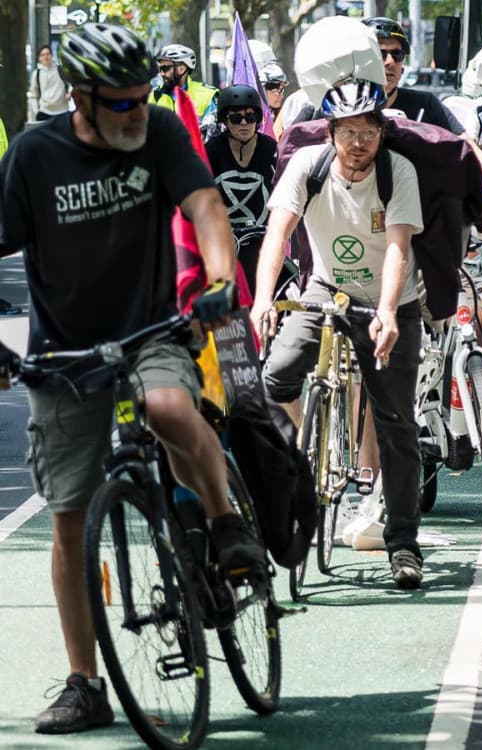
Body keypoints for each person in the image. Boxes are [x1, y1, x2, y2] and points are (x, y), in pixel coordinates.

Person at [0, 22, 263, 735]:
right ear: (81, 99)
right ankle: (85, 682)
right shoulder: (34, 155)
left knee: (170, 404)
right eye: (119, 102)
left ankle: (223, 518)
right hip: (65, 356)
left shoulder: (160, 136)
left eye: (142, 97)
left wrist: (215, 279)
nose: (136, 111)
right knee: (69, 520)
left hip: (152, 329)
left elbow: (206, 206)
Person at [251, 77, 429, 588]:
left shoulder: (399, 172)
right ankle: (299, 461)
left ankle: (403, 544)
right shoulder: (308, 167)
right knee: (275, 376)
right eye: (348, 132)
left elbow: (398, 247)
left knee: (396, 423)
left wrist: (389, 312)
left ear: (381, 132)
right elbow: (277, 235)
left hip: (391, 302)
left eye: (368, 132)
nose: (358, 144)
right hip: (326, 291)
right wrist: (264, 300)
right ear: (330, 133)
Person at [204, 84, 277, 295]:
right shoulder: (213, 149)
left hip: (262, 240)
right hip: (222, 241)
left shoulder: (271, 148)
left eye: (250, 117)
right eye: (236, 118)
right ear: (225, 120)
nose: (244, 123)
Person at [151, 43, 218, 125]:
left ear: (182, 69)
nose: (161, 73)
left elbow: (214, 132)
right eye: (160, 69)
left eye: (165, 68)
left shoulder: (207, 95)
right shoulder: (153, 96)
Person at [29, 45, 70, 121]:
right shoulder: (37, 73)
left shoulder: (61, 70)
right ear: (39, 58)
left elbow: (71, 84)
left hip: (62, 111)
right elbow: (33, 95)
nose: (46, 57)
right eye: (43, 55)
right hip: (44, 112)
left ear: (52, 56)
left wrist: (69, 93)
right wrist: (36, 111)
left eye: (48, 54)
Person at [260, 62, 289, 138]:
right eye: (276, 91)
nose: (281, 96)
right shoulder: (254, 118)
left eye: (282, 90)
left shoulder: (284, 115)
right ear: (263, 91)